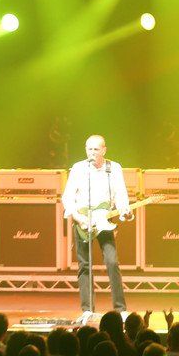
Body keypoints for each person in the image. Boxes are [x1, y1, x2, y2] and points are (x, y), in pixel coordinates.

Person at [62, 135, 132, 324]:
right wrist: (79, 218)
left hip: (104, 221)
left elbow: (121, 194)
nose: (92, 153)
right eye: (89, 149)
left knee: (112, 262)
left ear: (104, 150)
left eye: (96, 149)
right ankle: (87, 310)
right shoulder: (78, 168)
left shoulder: (113, 168)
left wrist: (125, 211)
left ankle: (120, 309)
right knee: (85, 265)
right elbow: (67, 197)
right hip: (83, 220)